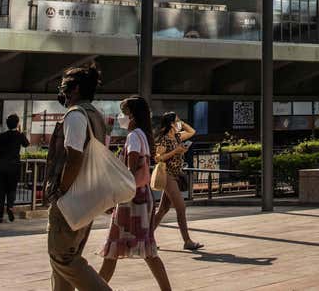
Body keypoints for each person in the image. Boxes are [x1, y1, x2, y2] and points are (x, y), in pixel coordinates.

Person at [44, 65, 113, 291]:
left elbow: (74, 158)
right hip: (87, 198)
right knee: (63, 263)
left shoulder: (75, 115)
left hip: (71, 198)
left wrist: (61, 192)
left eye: (64, 87)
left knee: (62, 257)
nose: (61, 93)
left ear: (74, 90)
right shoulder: (96, 116)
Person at [98, 96, 171, 289]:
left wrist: (113, 199)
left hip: (131, 200)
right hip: (142, 196)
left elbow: (129, 173)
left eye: (125, 112)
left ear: (132, 115)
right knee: (146, 248)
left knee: (114, 247)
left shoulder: (133, 137)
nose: (122, 116)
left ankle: (94, 287)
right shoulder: (143, 136)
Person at [150, 112, 203, 251]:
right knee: (181, 207)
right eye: (177, 121)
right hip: (167, 175)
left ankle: (147, 239)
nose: (180, 123)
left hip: (175, 174)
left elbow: (192, 131)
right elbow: (158, 158)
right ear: (171, 124)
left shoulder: (178, 137)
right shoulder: (163, 139)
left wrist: (181, 123)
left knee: (163, 209)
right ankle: (187, 241)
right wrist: (176, 151)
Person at [0, 113, 29, 223]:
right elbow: (26, 144)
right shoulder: (19, 135)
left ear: (7, 124)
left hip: (1, 166)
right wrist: (21, 132)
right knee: (12, 189)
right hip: (13, 167)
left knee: (0, 192)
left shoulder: (1, 136)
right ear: (17, 123)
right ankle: (10, 207)